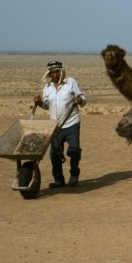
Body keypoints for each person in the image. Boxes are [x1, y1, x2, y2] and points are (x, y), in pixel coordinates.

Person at [33, 60, 87, 188]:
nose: (55, 74)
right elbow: (47, 106)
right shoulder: (47, 88)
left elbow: (83, 98)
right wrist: (40, 103)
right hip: (55, 126)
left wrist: (80, 100)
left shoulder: (71, 82)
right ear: (49, 74)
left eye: (57, 71)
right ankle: (59, 180)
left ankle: (74, 174)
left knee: (74, 150)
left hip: (71, 123)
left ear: (61, 71)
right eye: (52, 72)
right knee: (54, 154)